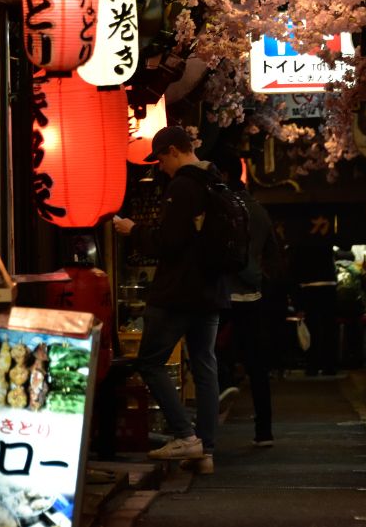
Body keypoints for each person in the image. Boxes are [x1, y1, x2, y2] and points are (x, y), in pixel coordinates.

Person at [112, 126, 228, 473]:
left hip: (179, 292)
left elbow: (170, 242)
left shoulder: (184, 186)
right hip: (211, 291)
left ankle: (185, 435)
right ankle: (205, 450)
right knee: (206, 366)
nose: (159, 166)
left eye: (161, 158)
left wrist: (134, 231)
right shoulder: (215, 180)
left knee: (149, 362)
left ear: (174, 150)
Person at [209, 152, 278, 447]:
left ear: (223, 174)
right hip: (253, 294)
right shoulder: (259, 210)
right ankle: (264, 431)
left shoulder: (219, 207)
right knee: (257, 365)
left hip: (223, 292)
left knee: (208, 355)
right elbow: (273, 255)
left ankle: (209, 423)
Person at [295, 241, 339, 377]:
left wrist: (298, 301)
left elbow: (294, 267)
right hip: (328, 282)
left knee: (312, 328)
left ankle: (312, 366)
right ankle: (330, 366)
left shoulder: (299, 234)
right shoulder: (328, 227)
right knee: (329, 327)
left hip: (308, 284)